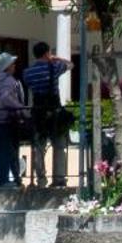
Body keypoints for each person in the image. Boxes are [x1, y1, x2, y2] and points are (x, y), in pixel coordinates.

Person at [21, 42, 71, 189]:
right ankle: (59, 179)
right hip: (54, 110)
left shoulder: (28, 72)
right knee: (59, 145)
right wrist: (56, 58)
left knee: (38, 147)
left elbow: (29, 85)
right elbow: (70, 65)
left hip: (38, 111)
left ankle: (40, 180)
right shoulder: (54, 67)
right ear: (47, 53)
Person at [0, 53, 28, 188]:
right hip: (8, 119)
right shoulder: (9, 81)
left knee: (0, 151)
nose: (14, 66)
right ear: (7, 66)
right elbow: (6, 98)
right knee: (8, 150)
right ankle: (4, 180)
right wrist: (21, 109)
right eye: (12, 64)